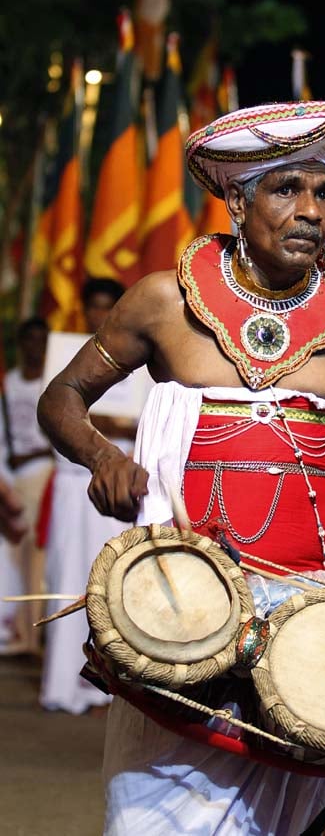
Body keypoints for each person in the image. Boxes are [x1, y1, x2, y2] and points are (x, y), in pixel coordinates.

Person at [37, 98, 325, 836]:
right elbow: (62, 397)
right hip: (180, 598)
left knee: (281, 819)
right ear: (237, 200)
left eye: (323, 192)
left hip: (304, 610)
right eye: (287, 189)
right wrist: (102, 455)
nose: (311, 209)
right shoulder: (164, 301)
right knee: (149, 815)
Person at [39, 277, 138, 715]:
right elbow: (56, 413)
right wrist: (110, 426)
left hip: (122, 486)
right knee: (68, 581)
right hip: (72, 483)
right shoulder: (66, 354)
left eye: (107, 307)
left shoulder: (138, 352)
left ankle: (107, 685)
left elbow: (143, 420)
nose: (100, 315)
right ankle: (62, 684)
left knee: (115, 583)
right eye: (93, 307)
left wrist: (114, 425)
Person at [0, 316, 54, 654]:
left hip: (42, 473)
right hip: (12, 476)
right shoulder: (10, 383)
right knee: (11, 553)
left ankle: (34, 634)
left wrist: (31, 453)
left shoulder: (53, 384)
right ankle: (17, 627)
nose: (34, 347)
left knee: (36, 553)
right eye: (29, 340)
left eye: (40, 340)